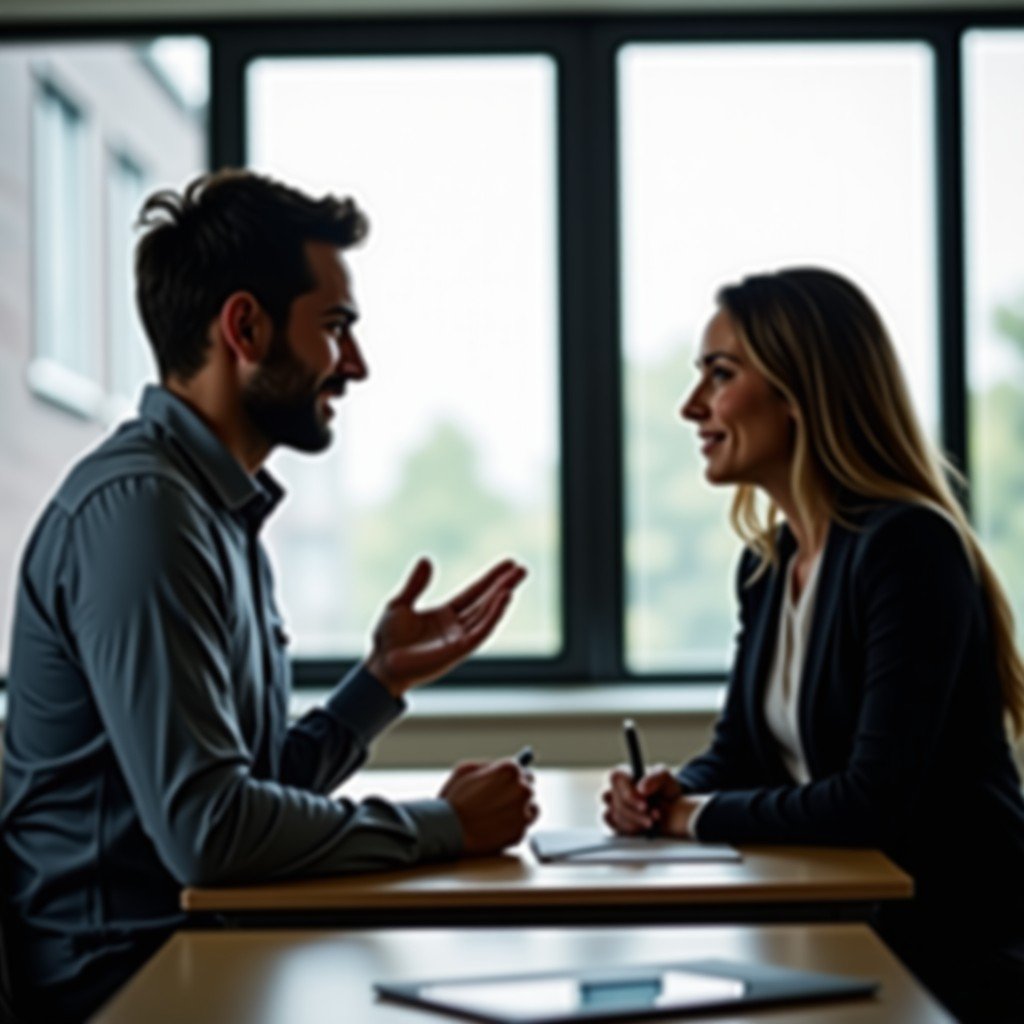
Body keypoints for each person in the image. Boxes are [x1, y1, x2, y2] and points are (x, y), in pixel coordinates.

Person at [0, 169, 536, 1022]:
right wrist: (443, 824)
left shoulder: (213, 510)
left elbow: (247, 794)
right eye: (336, 328)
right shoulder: (143, 515)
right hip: (126, 990)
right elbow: (211, 834)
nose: (356, 364)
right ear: (244, 326)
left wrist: (380, 683)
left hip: (205, 945)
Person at [602, 267, 1024, 1022]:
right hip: (843, 930)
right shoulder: (768, 566)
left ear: (801, 393)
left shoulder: (907, 546)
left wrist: (693, 816)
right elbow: (739, 755)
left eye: (720, 375)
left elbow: (871, 804)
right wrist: (668, 790)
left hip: (953, 951)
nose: (691, 406)